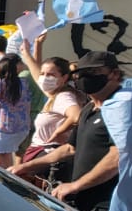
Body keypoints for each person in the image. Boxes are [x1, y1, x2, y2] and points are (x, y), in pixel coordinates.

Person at [10, 51, 132, 211]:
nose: (84, 78)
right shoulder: (90, 108)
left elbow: (118, 156)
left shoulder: (124, 105)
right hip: (82, 200)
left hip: (107, 204)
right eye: (80, 73)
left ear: (114, 74)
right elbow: (69, 148)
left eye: (94, 71)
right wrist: (25, 167)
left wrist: (75, 185)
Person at [19, 34, 84, 163]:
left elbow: (76, 116)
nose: (44, 78)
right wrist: (33, 49)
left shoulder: (63, 97)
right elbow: (37, 74)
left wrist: (58, 132)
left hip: (49, 155)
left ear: (64, 78)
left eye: (51, 75)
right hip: (41, 152)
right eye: (43, 74)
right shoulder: (54, 94)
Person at [0, 53, 31, 167]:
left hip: (3, 126)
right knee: (8, 154)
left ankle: (4, 181)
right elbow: (27, 104)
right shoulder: (23, 83)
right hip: (22, 127)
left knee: (0, 158)